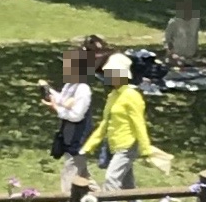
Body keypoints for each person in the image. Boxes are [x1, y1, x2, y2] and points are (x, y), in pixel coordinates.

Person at [90, 53, 167, 190]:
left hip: (127, 146)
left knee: (111, 179)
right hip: (115, 144)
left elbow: (139, 124)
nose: (107, 76)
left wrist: (145, 149)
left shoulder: (132, 95)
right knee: (128, 184)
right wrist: (89, 146)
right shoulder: (112, 95)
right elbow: (105, 123)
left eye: (110, 73)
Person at [45, 36, 104, 178]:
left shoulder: (83, 89)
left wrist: (56, 109)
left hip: (78, 141)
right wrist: (48, 90)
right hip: (68, 137)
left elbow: (76, 115)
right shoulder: (70, 85)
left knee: (70, 176)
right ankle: (95, 197)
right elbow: (62, 99)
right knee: (82, 177)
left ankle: (66, 200)